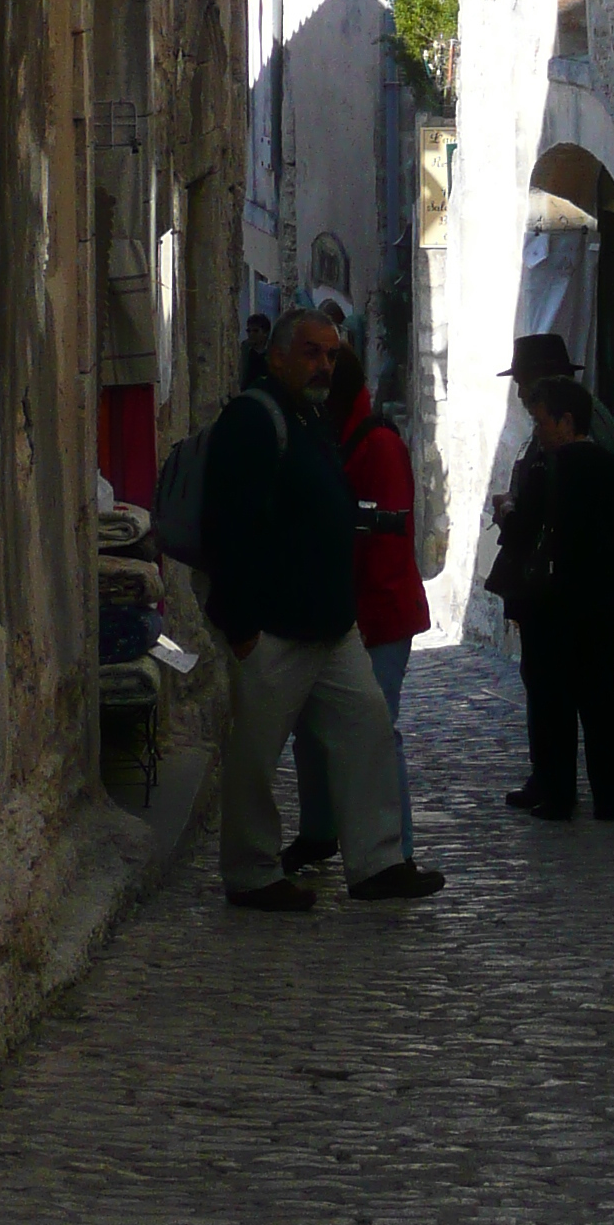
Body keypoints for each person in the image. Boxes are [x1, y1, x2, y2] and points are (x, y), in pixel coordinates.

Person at [199, 305, 445, 912]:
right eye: (311, 352)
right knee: (256, 755)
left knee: (366, 734)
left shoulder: (308, 416)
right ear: (277, 355)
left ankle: (379, 862)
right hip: (273, 628)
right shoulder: (254, 419)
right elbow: (228, 523)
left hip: (331, 629)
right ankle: (252, 873)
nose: (324, 364)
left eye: (332, 355)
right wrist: (239, 623)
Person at [287, 346, 431, 871]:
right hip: (344, 611)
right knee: (314, 728)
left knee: (375, 730)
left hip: (378, 612)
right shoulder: (335, 438)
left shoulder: (377, 445)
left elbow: (383, 545)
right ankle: (321, 831)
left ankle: (397, 849)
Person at [502, 378, 614, 822]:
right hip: (599, 605)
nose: (538, 430)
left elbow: (524, 531)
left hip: (553, 604)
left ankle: (559, 795)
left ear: (566, 421)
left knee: (553, 701)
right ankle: (611, 798)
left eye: (542, 420)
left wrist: (506, 510)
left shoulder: (549, 468)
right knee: (600, 701)